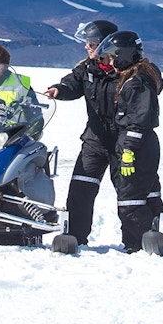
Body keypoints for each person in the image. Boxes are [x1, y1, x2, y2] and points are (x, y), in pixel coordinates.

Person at [44, 20, 119, 245]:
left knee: (130, 194)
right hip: (94, 140)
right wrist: (59, 89)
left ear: (107, 45)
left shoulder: (127, 70)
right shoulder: (87, 68)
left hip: (123, 142)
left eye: (92, 43)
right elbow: (72, 83)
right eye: (87, 42)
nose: (87, 47)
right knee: (80, 190)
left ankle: (138, 240)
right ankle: (75, 237)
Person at [95, 30, 163, 253]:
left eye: (113, 58)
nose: (112, 64)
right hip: (141, 145)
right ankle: (149, 240)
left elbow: (140, 120)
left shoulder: (137, 83)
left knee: (130, 202)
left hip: (137, 146)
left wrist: (128, 151)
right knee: (148, 195)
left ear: (123, 55)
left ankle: (143, 243)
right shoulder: (137, 78)